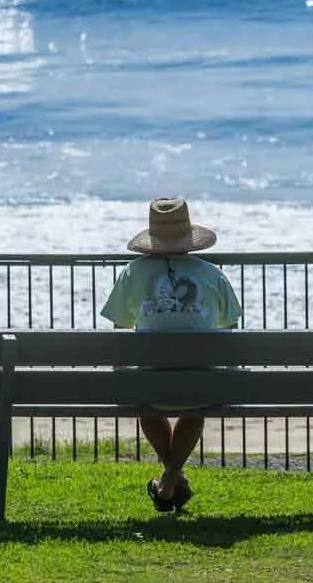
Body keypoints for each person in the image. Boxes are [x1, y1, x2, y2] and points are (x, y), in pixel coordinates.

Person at [100, 197, 242, 512]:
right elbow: (232, 330)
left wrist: (120, 375)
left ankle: (167, 482)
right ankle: (169, 480)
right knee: (195, 407)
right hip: (201, 384)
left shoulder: (131, 273)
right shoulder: (212, 274)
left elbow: (119, 332)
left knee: (147, 406)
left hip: (150, 383)